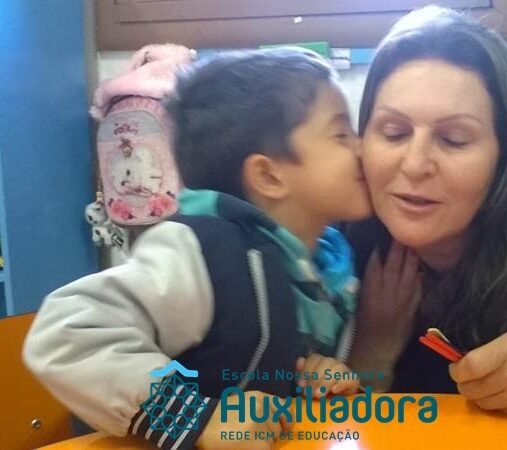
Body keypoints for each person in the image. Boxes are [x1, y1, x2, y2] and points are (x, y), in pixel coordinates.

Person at [23, 48, 372, 450]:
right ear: (268, 175)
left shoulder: (319, 268)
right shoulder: (202, 252)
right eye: (341, 135)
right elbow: (67, 333)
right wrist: (193, 417)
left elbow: (240, 370)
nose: (363, 148)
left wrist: (312, 379)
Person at [346, 6, 507, 419]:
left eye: (454, 139)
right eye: (394, 133)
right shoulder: (342, 233)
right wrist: (368, 356)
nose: (415, 164)